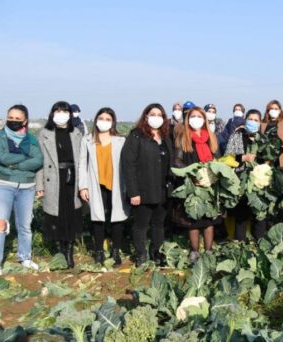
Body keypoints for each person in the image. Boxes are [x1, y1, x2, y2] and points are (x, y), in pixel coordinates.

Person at [0, 104, 44, 277]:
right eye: (11, 117)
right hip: (3, 185)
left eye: (18, 119)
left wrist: (15, 164)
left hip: (27, 187)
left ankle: (25, 257)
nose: (13, 121)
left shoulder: (31, 140)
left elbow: (39, 160)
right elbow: (2, 158)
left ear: (25, 120)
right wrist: (26, 159)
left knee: (25, 226)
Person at [122, 103, 173, 266]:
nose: (156, 118)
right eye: (153, 114)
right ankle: (141, 254)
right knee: (141, 225)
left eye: (160, 115)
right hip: (143, 190)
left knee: (159, 224)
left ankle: (157, 253)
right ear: (146, 116)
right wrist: (133, 192)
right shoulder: (136, 136)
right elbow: (128, 165)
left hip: (162, 190)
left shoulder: (166, 137)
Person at [78, 107, 128, 266]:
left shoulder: (120, 140)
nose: (104, 122)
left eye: (108, 119)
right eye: (101, 118)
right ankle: (98, 251)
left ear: (113, 122)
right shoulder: (87, 140)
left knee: (117, 218)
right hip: (95, 183)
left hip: (116, 184)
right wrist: (83, 186)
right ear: (96, 120)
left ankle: (115, 251)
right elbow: (82, 164)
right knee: (97, 218)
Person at [36, 101, 84, 269]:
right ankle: (59, 252)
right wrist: (39, 185)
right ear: (52, 114)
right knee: (55, 215)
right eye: (57, 111)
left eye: (65, 111)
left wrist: (83, 184)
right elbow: (39, 161)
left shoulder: (76, 133)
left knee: (71, 214)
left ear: (70, 115)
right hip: (52, 178)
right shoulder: (44, 133)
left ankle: (69, 252)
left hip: (72, 178)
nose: (61, 114)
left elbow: (82, 161)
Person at [172, 106, 221, 261]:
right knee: (193, 220)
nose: (196, 120)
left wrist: (212, 172)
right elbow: (177, 161)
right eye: (193, 116)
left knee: (209, 219)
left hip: (209, 184)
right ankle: (194, 250)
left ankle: (208, 251)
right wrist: (192, 172)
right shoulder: (183, 137)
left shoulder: (211, 137)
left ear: (204, 119)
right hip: (192, 183)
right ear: (188, 119)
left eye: (199, 117)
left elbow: (218, 159)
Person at [225, 109, 269, 242]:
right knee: (241, 213)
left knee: (259, 213)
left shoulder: (262, 139)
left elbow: (268, 157)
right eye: (251, 119)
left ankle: (260, 242)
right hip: (240, 179)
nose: (253, 122)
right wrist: (243, 157)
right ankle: (240, 242)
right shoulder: (237, 136)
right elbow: (228, 158)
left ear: (260, 122)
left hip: (258, 182)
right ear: (245, 120)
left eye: (256, 120)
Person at [259, 100, 283, 168]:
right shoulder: (262, 123)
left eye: (276, 109)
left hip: (281, 158)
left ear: (280, 110)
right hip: (266, 159)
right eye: (271, 109)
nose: (274, 110)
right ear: (268, 110)